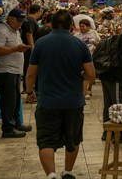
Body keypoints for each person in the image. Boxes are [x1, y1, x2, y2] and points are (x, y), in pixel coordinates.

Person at [25, 10, 95, 179]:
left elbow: (31, 74)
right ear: (72, 26)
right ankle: (68, 172)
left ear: (51, 24)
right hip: (73, 101)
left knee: (46, 141)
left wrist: (29, 92)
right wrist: (80, 77)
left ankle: (51, 175)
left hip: (48, 101)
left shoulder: (41, 44)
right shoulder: (80, 45)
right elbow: (91, 75)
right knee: (73, 139)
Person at [0, 8, 32, 138]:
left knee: (15, 100)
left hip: (14, 71)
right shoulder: (2, 31)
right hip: (6, 71)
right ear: (11, 19)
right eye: (18, 21)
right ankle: (8, 128)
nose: (21, 24)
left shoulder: (14, 30)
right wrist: (16, 48)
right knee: (8, 101)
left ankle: (16, 123)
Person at [74, 19, 101, 100]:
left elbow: (99, 44)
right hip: (82, 57)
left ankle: (89, 88)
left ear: (88, 26)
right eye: (80, 26)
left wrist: (94, 42)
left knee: (92, 74)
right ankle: (85, 92)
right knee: (85, 74)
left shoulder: (94, 33)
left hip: (93, 56)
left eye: (83, 26)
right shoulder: (77, 35)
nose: (82, 28)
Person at [22, 4, 43, 98]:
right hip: (28, 49)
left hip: (28, 48)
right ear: (38, 11)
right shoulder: (30, 20)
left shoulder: (30, 20)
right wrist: (32, 47)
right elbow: (29, 34)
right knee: (28, 68)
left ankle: (29, 88)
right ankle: (28, 89)